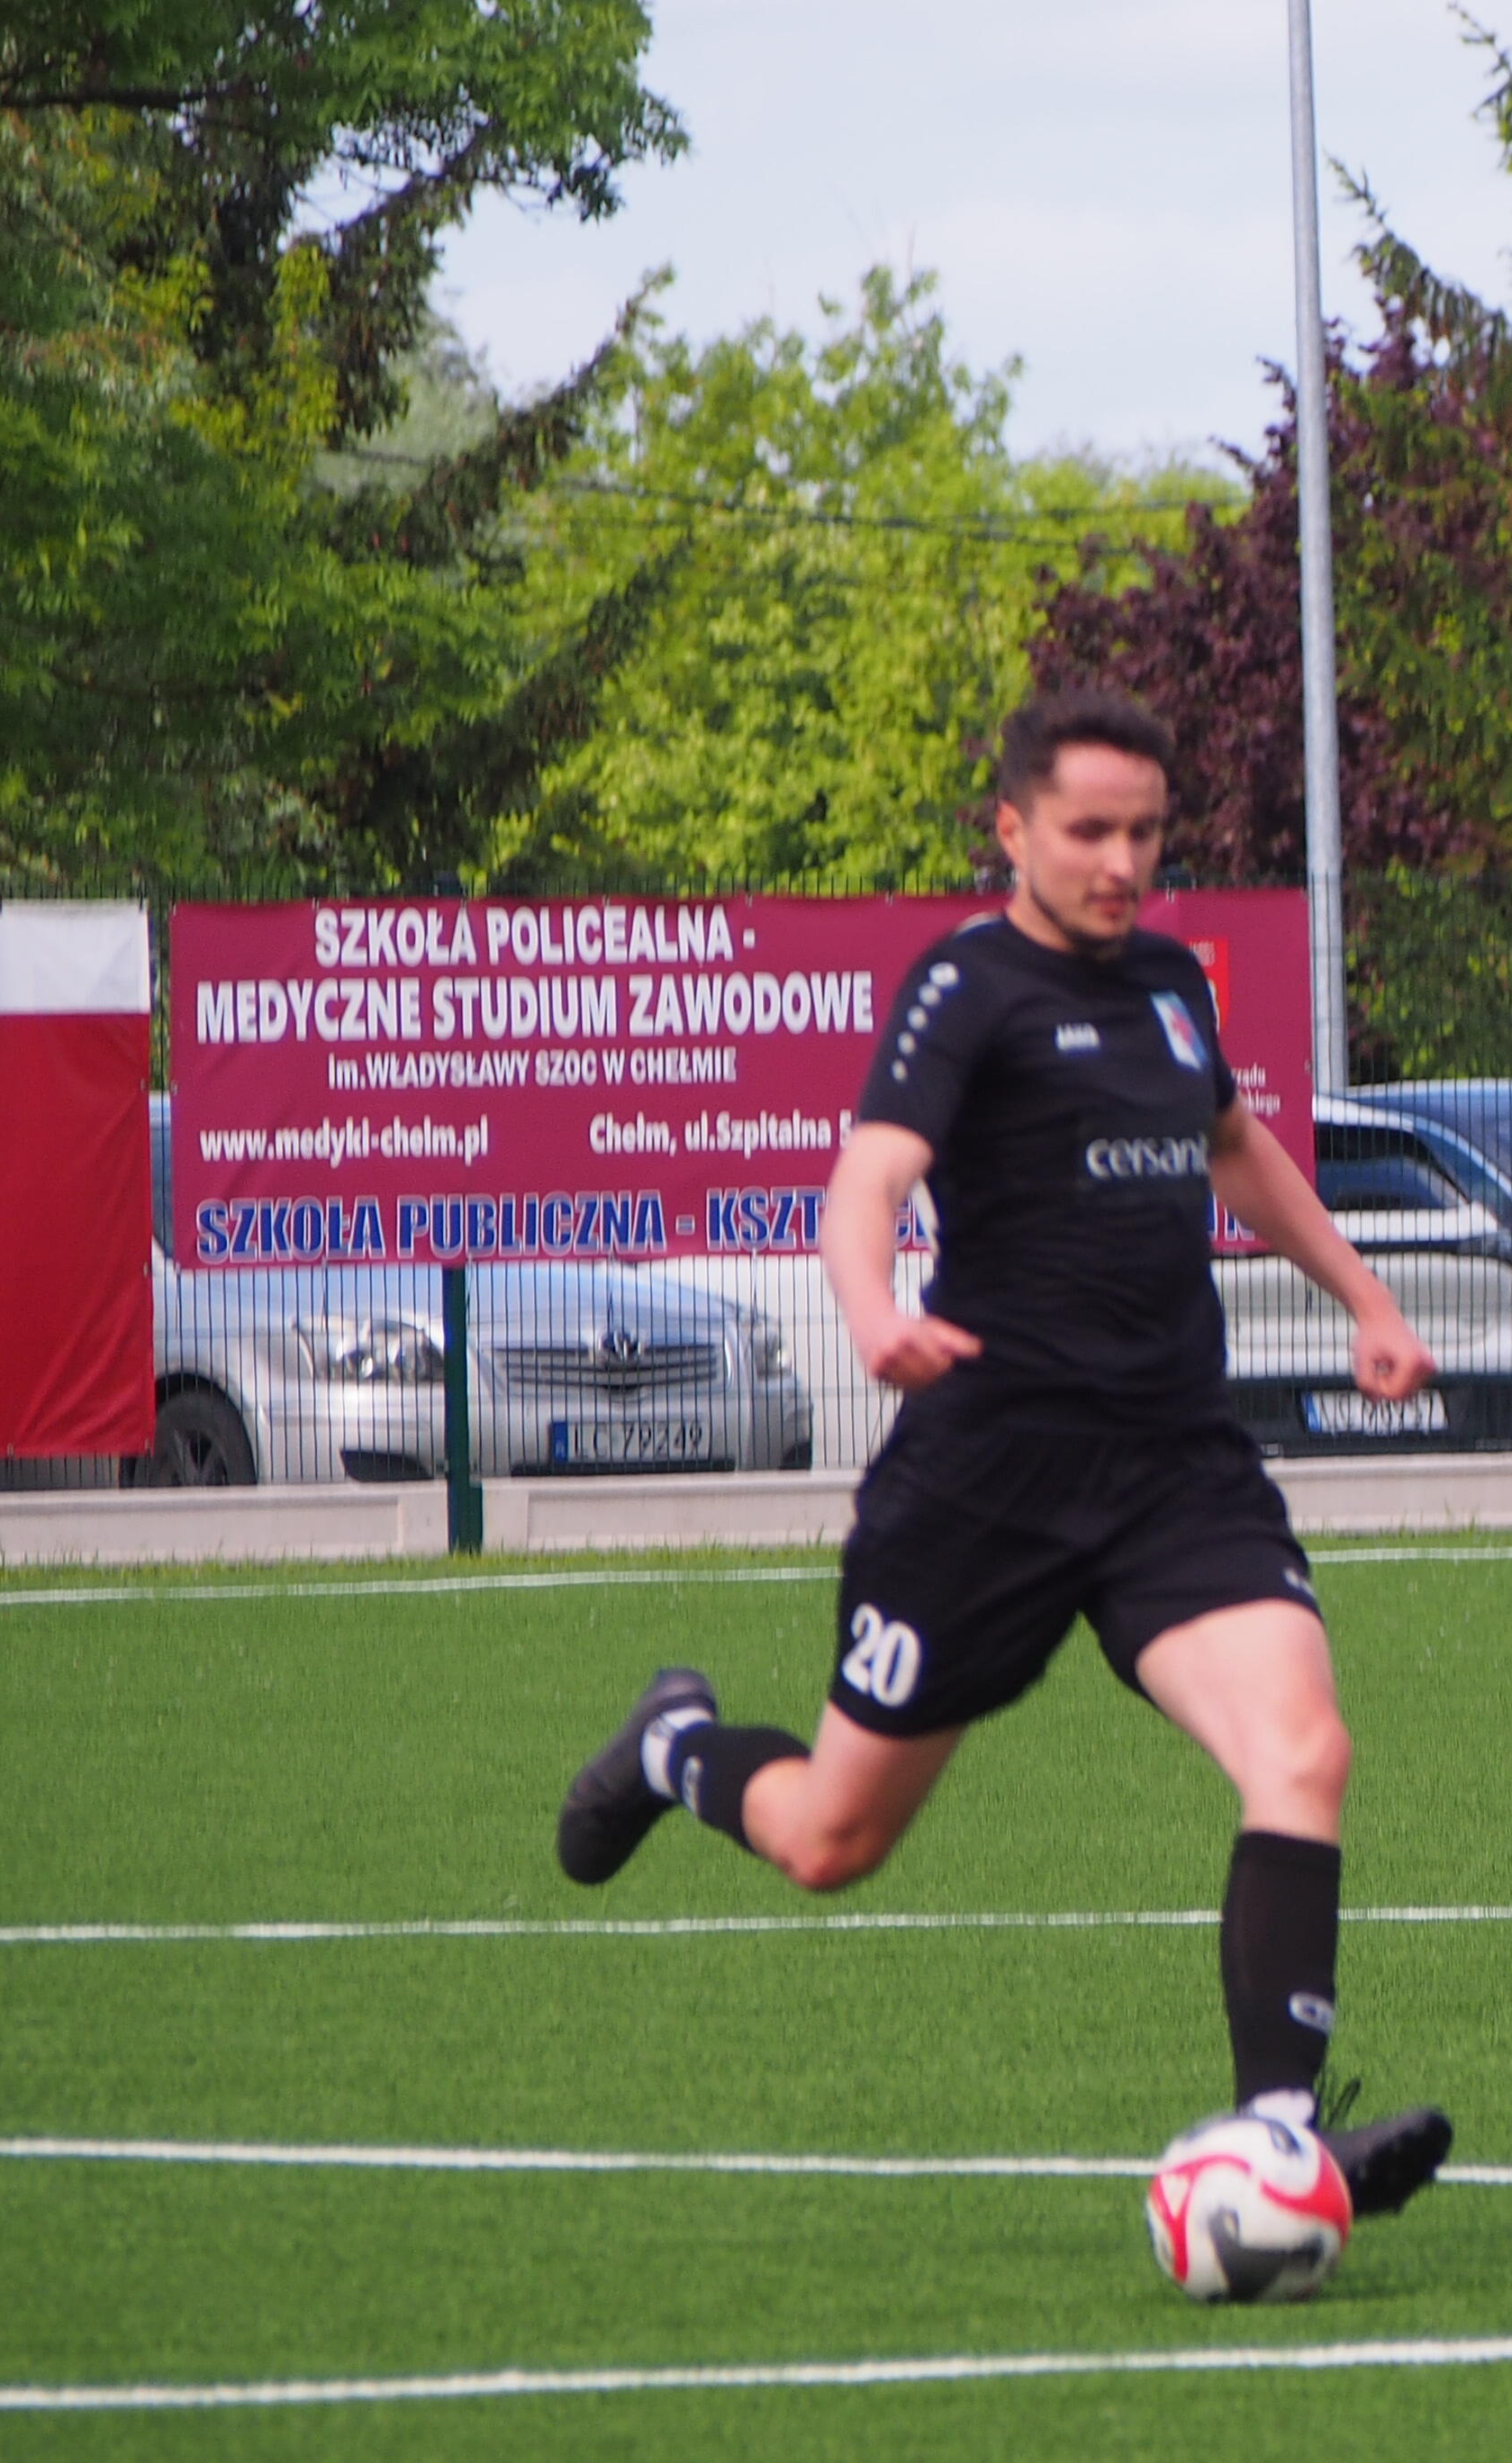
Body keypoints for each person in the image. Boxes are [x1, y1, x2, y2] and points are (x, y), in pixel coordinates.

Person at [552, 683, 1454, 2216]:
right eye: (1090, 830)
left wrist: (1366, 1298)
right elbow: (869, 1176)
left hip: (1173, 1465)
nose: (1122, 862)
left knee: (1303, 1753)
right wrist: (871, 1306)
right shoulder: (966, 987)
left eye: (1145, 833)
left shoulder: (1169, 984)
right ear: (1015, 830)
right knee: (831, 1841)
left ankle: (1279, 2139)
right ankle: (670, 1747)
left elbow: (1235, 1147)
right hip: (987, 1481)